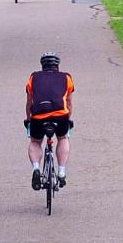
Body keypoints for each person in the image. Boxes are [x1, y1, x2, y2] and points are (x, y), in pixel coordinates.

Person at [25, 52, 73, 189]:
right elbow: (69, 103)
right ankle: (62, 172)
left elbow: (29, 102)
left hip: (39, 116)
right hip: (60, 115)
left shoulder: (34, 77)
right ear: (57, 65)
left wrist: (29, 119)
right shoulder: (66, 77)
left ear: (42, 65)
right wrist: (68, 119)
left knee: (35, 141)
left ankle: (36, 168)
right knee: (63, 138)